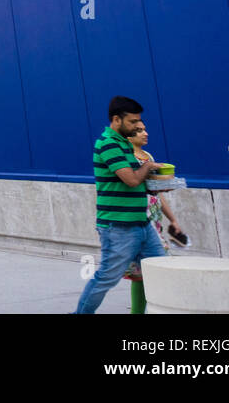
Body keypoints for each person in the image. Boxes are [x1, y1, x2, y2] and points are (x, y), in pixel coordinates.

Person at [74, 96, 167, 314]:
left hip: (142, 224)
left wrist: (158, 186)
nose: (137, 126)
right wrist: (149, 166)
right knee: (106, 277)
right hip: (118, 226)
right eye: (133, 122)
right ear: (116, 120)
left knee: (160, 272)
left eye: (139, 122)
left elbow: (137, 185)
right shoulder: (108, 144)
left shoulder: (125, 143)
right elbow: (132, 179)